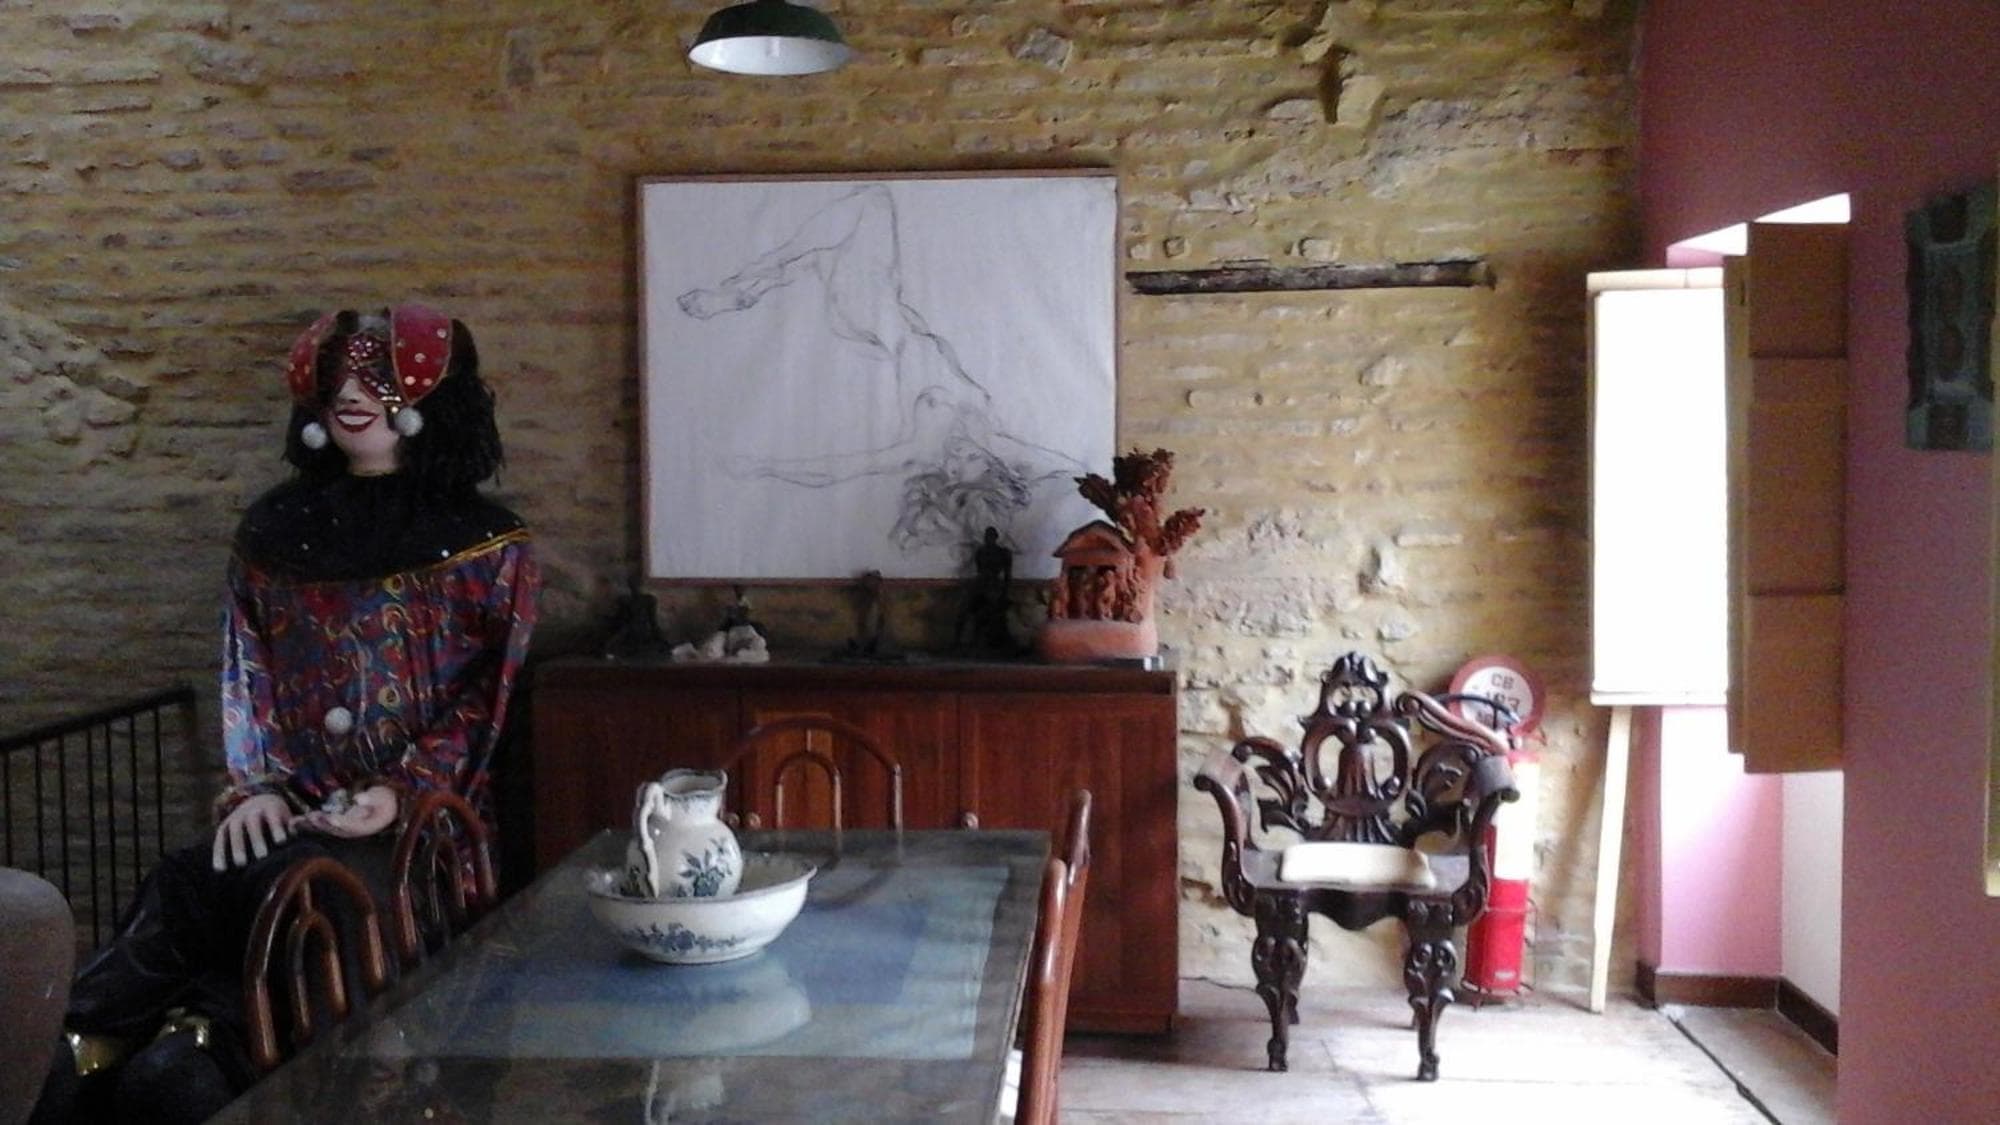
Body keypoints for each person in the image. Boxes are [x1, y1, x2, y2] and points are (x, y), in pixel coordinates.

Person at [35, 305, 539, 1124]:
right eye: (337, 381)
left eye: (375, 381)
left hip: (418, 823)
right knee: (190, 874)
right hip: (293, 798)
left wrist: (402, 789)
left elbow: (489, 696)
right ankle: (73, 1039)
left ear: (427, 397)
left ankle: (214, 1042)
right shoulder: (274, 530)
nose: (351, 397)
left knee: (302, 887)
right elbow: (249, 670)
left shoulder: (488, 544)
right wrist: (256, 785)